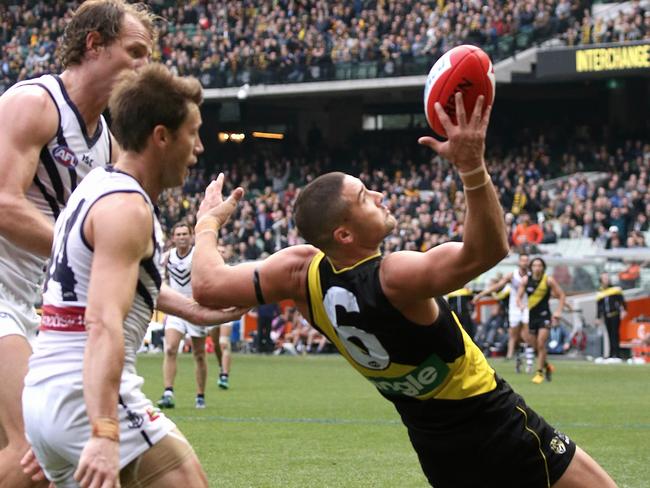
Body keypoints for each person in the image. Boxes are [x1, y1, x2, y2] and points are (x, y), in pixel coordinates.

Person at [191, 94, 616, 487]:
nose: (378, 194)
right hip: (492, 423)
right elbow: (485, 251)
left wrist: (207, 222)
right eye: (364, 196)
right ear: (344, 233)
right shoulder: (393, 277)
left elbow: (207, 285)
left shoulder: (298, 273)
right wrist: (471, 166)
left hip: (434, 445)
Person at [22, 64, 244, 487]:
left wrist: (194, 311)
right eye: (192, 133)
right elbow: (102, 321)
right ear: (161, 136)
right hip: (84, 394)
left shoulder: (95, 186)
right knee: (186, 478)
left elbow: (106, 286)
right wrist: (105, 430)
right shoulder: (128, 209)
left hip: (47, 391)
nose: (198, 148)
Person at [0, 2, 156, 486]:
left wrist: (183, 301)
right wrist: (77, 251)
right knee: (34, 451)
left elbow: (109, 251)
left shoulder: (106, 142)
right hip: (2, 297)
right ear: (94, 44)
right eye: (135, 52)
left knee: (36, 454)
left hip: (40, 306)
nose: (143, 68)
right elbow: (3, 204)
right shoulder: (35, 103)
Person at [157, 221, 234, 409]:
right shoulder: (167, 258)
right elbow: (160, 278)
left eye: (185, 234)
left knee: (199, 354)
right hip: (175, 307)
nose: (182, 237)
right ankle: (168, 392)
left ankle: (200, 395)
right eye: (179, 234)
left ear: (191, 236)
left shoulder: (198, 255)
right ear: (173, 238)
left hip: (195, 307)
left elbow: (219, 258)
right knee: (170, 348)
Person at [473, 253, 531, 363]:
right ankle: (510, 355)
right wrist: (481, 294)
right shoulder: (512, 275)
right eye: (523, 260)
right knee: (513, 333)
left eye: (526, 260)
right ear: (519, 262)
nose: (525, 263)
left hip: (528, 306)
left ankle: (528, 356)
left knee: (526, 333)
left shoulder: (532, 275)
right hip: (514, 307)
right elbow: (497, 286)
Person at [518, 257, 566, 384]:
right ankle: (547, 366)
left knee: (540, 343)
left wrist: (559, 311)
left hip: (544, 316)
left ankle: (539, 373)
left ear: (543, 267)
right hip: (531, 316)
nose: (537, 268)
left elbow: (561, 295)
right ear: (531, 267)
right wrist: (520, 305)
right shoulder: (525, 280)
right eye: (535, 265)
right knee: (535, 347)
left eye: (539, 265)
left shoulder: (548, 280)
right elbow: (519, 297)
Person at [596, 272, 626, 359]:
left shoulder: (615, 289)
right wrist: (598, 317)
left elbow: (622, 301)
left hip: (615, 314)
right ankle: (610, 353)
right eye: (604, 278)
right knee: (609, 334)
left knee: (615, 334)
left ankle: (616, 354)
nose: (606, 280)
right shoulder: (600, 292)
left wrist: (624, 310)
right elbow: (599, 306)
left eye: (607, 278)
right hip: (606, 315)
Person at [208, 320, 233, 389]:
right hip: (213, 315)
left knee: (223, 342)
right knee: (216, 344)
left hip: (226, 312)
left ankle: (224, 376)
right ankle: (222, 366)